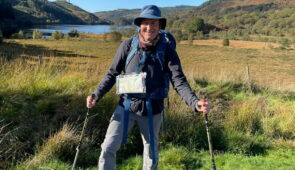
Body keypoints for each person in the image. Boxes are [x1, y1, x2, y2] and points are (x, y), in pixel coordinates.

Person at [86, 5, 210, 170]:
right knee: (108, 147)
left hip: (153, 110)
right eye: (146, 23)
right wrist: (96, 94)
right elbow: (112, 73)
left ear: (160, 26)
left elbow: (179, 80)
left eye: (154, 23)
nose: (149, 27)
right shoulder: (127, 46)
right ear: (139, 25)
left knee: (151, 154)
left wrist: (195, 103)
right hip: (126, 106)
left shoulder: (167, 51)